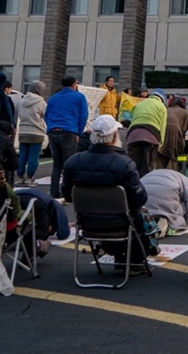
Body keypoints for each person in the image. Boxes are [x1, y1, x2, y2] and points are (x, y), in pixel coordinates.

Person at [61, 114, 154, 269]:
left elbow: (67, 196)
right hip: (120, 221)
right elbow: (140, 198)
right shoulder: (125, 164)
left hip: (87, 222)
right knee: (140, 216)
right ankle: (135, 262)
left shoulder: (73, 162)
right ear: (114, 137)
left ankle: (116, 254)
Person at [44, 75, 90, 202]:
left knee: (57, 165)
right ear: (74, 85)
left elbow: (46, 115)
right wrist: (78, 132)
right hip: (69, 131)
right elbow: (83, 115)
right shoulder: (79, 96)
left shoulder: (53, 97)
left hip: (53, 131)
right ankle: (67, 193)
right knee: (69, 164)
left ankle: (54, 193)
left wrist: (51, 127)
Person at [126, 89, 168, 174]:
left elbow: (132, 118)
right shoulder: (161, 106)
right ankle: (145, 185)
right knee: (147, 165)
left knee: (133, 165)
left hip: (133, 134)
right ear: (162, 98)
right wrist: (161, 143)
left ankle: (132, 184)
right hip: (151, 135)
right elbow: (162, 126)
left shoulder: (140, 103)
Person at [141, 168, 188, 236]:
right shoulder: (186, 181)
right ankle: (166, 224)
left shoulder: (150, 174)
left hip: (144, 187)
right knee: (174, 214)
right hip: (168, 188)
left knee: (148, 211)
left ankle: (150, 222)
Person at [16, 81, 47, 186]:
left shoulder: (22, 101)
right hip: (36, 132)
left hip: (23, 131)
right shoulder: (41, 102)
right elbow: (46, 116)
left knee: (22, 155)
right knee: (33, 157)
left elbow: (19, 114)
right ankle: (29, 178)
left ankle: (20, 177)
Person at [159, 95, 188, 171]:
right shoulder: (185, 112)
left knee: (162, 150)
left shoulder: (167, 109)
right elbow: (183, 129)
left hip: (162, 129)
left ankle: (160, 168)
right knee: (173, 151)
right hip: (175, 130)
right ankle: (172, 169)